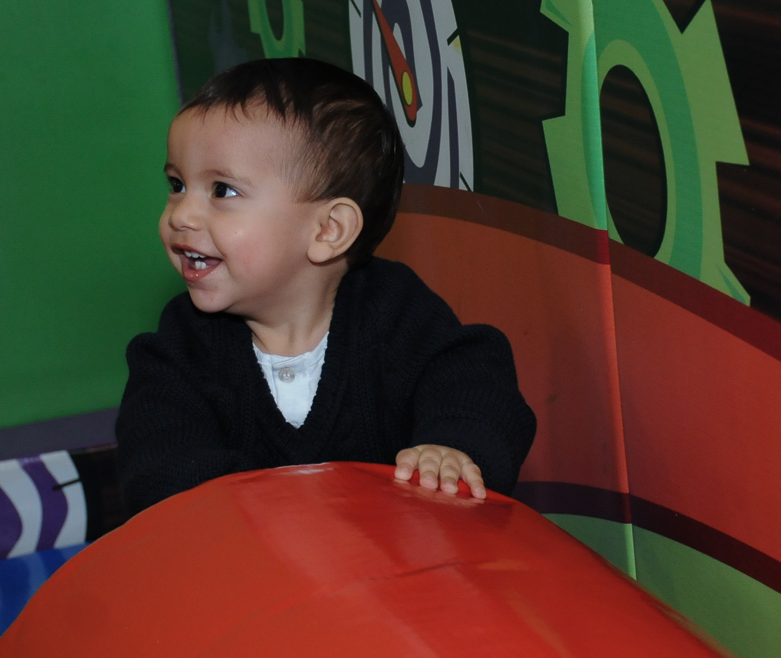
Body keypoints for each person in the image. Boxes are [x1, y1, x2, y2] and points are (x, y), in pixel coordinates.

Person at [116, 58, 536, 515]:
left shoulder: (396, 313)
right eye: (177, 184)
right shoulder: (179, 350)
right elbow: (160, 462)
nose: (180, 214)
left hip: (395, 553)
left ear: (328, 230)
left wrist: (453, 449)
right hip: (245, 557)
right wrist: (243, 510)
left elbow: (475, 385)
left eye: (222, 191)